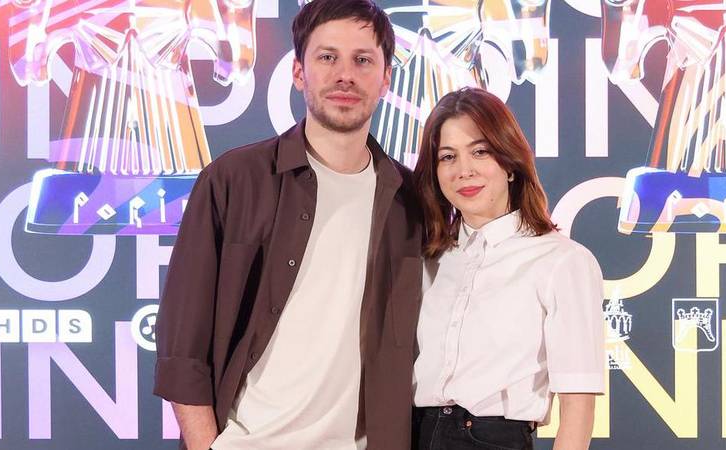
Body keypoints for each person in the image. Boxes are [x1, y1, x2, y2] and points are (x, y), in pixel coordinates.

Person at [153, 1, 423, 449]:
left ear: (385, 79)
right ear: (299, 73)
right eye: (327, 57)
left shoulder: (413, 201)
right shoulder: (234, 180)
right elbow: (182, 347)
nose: (345, 75)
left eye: (362, 60)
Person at [412, 87, 604, 450]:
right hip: (415, 432)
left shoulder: (562, 261)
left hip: (491, 438)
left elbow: (578, 406)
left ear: (510, 163)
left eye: (480, 152)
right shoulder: (428, 260)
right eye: (448, 157)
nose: (464, 171)